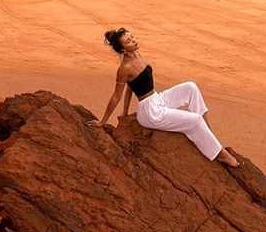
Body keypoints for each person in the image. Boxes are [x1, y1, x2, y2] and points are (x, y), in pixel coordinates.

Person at [87, 27, 240, 167]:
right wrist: (103, 121)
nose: (133, 40)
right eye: (128, 41)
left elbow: (131, 86)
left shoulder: (137, 55)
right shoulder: (124, 68)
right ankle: (220, 154)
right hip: (150, 113)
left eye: (132, 37)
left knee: (190, 87)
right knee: (195, 120)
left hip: (157, 99)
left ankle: (209, 133)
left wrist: (126, 113)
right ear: (122, 49)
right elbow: (116, 96)